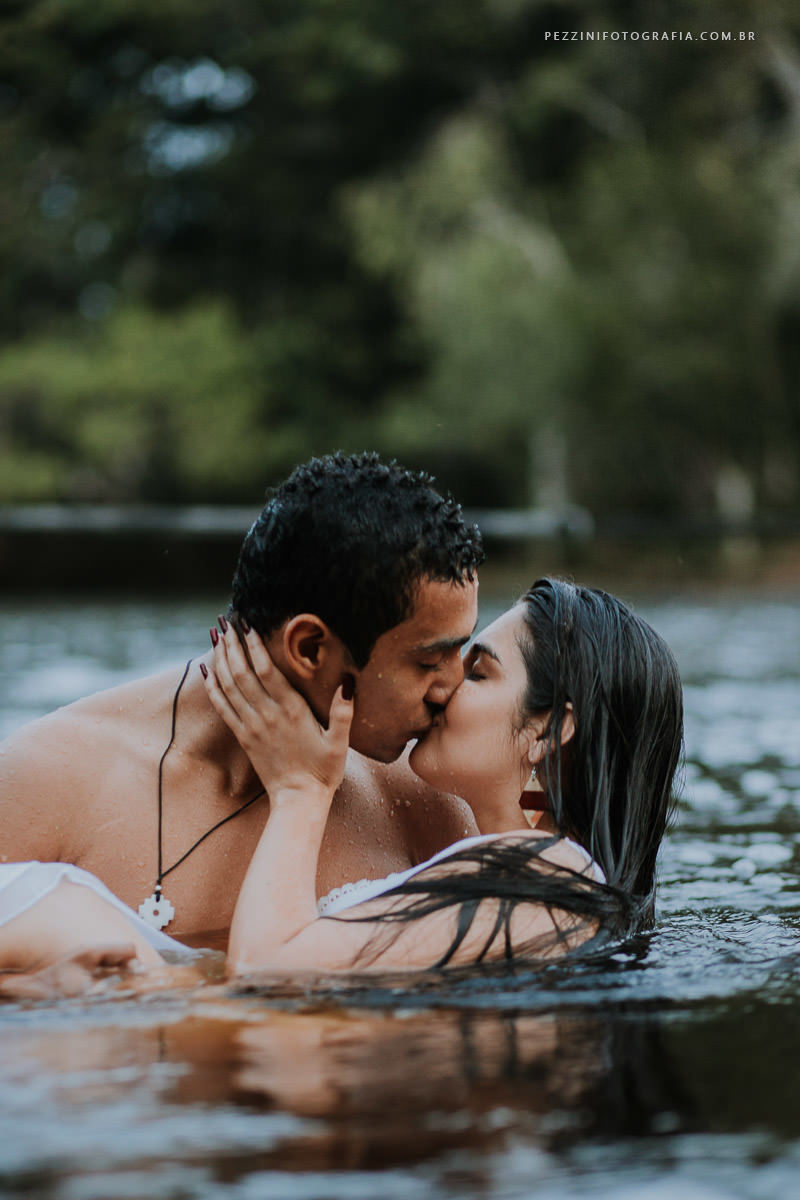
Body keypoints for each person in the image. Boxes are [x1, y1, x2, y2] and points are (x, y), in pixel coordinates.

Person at [0, 578, 683, 986]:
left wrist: (300, 788)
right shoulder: (536, 872)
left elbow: (272, 974)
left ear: (549, 729)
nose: (444, 688)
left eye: (478, 673)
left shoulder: (547, 877)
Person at [0, 453, 484, 949]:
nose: (452, 688)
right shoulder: (51, 781)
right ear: (309, 648)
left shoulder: (423, 794)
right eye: (428, 662)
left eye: (461, 651)